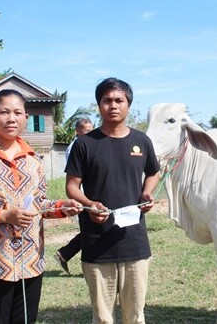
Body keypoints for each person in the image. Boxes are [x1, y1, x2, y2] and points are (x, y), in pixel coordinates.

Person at [0, 89, 82, 324]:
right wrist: (4, 216)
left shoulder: (32, 159)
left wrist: (62, 207)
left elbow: (37, 204)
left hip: (30, 261)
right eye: (4, 112)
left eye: (18, 112)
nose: (11, 118)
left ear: (26, 118)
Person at [65, 78, 160, 324]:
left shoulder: (141, 141)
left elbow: (153, 172)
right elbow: (72, 186)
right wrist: (90, 204)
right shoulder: (84, 144)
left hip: (134, 242)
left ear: (129, 104)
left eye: (119, 100)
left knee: (135, 316)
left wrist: (146, 193)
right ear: (99, 105)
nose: (113, 105)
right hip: (96, 243)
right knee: (103, 318)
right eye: (107, 100)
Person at [55, 117, 94, 274]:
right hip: (82, 196)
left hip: (88, 195)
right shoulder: (76, 147)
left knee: (88, 230)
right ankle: (71, 257)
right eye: (87, 130)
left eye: (92, 129)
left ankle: (64, 254)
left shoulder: (86, 144)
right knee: (89, 231)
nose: (90, 132)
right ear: (78, 131)